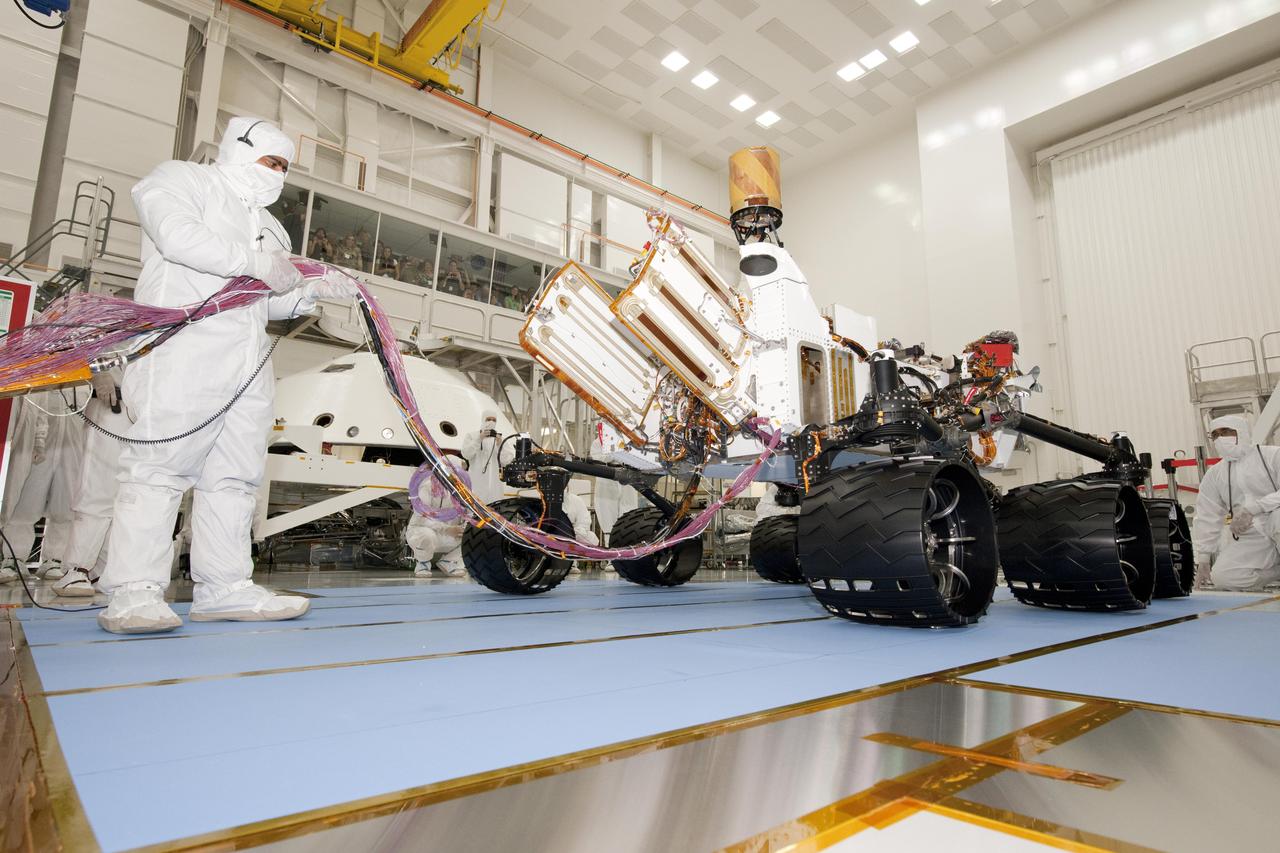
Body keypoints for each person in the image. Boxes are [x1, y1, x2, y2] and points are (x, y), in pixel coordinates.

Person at [93, 116, 356, 634]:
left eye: (284, 166)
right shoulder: (183, 180)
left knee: (235, 477)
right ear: (238, 148)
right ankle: (133, 591)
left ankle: (223, 586)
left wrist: (310, 292)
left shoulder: (271, 226)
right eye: (270, 161)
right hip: (184, 346)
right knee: (160, 468)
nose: (277, 173)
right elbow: (178, 238)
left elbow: (267, 299)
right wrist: (257, 263)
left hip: (248, 357)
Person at [51, 372, 132, 597]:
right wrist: (98, 372)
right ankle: (76, 568)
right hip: (111, 404)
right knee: (98, 487)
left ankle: (102, 569)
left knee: (127, 494)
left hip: (144, 411)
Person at [0, 386, 85, 583]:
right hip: (39, 439)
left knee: (66, 504)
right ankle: (14, 557)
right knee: (25, 500)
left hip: (74, 439)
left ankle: (55, 558)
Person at [1192, 415, 1280, 590]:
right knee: (1223, 577)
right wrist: (1203, 557)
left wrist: (1255, 508)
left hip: (1276, 521)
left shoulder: (1273, 455)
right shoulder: (1215, 474)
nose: (1220, 439)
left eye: (1225, 432)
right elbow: (1207, 515)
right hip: (1251, 534)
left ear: (1241, 432)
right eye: (1215, 435)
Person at [405, 457, 469, 578]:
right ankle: (423, 564)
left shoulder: (461, 490)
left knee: (470, 536)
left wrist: (464, 528)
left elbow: (469, 514)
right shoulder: (426, 486)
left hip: (448, 533)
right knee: (427, 536)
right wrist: (447, 529)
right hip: (421, 530)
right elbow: (423, 517)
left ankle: (449, 562)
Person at [461, 410, 504, 504]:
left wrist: (500, 445)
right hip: (476, 484)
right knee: (475, 508)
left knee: (494, 509)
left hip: (495, 488)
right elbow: (466, 454)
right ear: (483, 419)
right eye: (488, 419)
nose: (491, 422)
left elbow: (506, 461)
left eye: (494, 420)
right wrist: (479, 439)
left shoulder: (499, 439)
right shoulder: (472, 436)